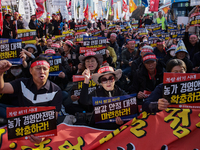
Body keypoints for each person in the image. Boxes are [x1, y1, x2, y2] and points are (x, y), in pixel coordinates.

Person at [0, 57, 62, 143]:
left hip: (41, 128)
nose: (42, 71)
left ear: (49, 71)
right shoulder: (21, 83)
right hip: (21, 126)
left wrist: (43, 136)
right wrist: (1, 72)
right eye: (38, 68)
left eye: (45, 69)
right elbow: (2, 89)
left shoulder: (56, 90)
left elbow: (53, 118)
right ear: (30, 71)